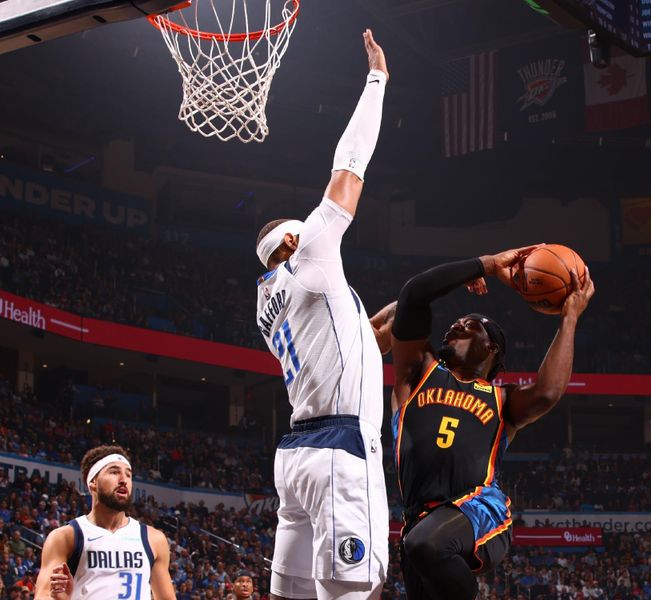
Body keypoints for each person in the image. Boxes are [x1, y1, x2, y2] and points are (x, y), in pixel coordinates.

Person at [254, 29, 389, 600]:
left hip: (295, 455)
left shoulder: (266, 299)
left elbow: (357, 337)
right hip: (339, 447)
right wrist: (378, 80)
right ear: (293, 237)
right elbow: (349, 165)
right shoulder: (310, 248)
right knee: (352, 594)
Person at [388, 247, 595, 599]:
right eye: (455, 325)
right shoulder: (418, 373)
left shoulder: (503, 400)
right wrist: (483, 265)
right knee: (420, 545)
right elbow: (413, 294)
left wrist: (570, 318)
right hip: (419, 522)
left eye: (469, 327)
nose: (455, 326)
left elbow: (547, 392)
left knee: (426, 545)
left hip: (479, 509)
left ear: (492, 349)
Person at [34, 445, 176, 600]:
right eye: (114, 472)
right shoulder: (66, 537)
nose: (123, 480)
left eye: (128, 475)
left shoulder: (153, 539)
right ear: (93, 482)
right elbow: (43, 595)